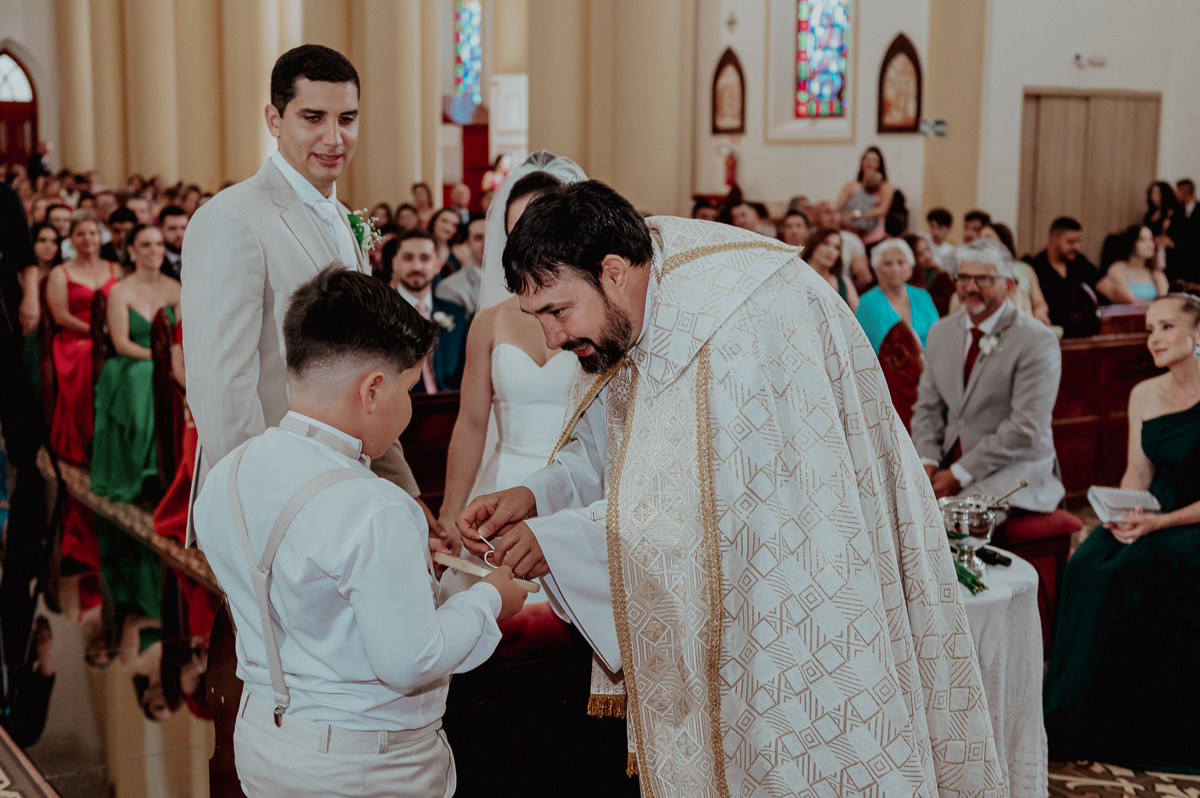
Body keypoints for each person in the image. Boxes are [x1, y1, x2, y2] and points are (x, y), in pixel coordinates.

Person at [455, 180, 1003, 796]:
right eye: (538, 319)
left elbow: (719, 513)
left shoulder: (740, 324)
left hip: (800, 604)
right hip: (740, 608)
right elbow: (623, 450)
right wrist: (537, 496)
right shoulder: (634, 304)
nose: (552, 339)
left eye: (557, 311)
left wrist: (559, 540)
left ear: (612, 271)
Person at [194, 266, 525, 798]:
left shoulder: (227, 472)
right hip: (365, 765)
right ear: (373, 389)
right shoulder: (376, 507)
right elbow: (411, 660)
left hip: (261, 740)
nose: (410, 407)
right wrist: (489, 597)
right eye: (410, 388)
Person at [182, 43, 424, 544]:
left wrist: (409, 497)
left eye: (348, 118)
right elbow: (222, 388)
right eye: (313, 117)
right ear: (274, 118)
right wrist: (263, 516)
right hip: (276, 503)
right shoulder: (231, 218)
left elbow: (373, 373)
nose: (334, 138)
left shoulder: (343, 219)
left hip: (349, 495)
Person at [1044, 285, 1200, 770]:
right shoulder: (1143, 394)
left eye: (1167, 327)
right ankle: (1072, 717)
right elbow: (1139, 473)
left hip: (1190, 521)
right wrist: (1121, 512)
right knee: (1088, 561)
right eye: (1150, 328)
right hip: (1153, 512)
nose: (1154, 338)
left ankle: (1127, 724)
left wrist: (1161, 522)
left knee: (1125, 574)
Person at [438, 160, 581, 562]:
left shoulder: (592, 319)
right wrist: (450, 510)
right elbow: (471, 423)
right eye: (521, 228)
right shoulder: (490, 322)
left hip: (577, 486)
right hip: (503, 482)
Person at [911, 238, 1063, 510]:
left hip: (1014, 466)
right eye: (964, 277)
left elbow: (1025, 427)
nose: (970, 287)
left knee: (953, 520)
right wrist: (927, 461)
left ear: (1009, 285)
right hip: (947, 459)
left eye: (983, 279)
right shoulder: (940, 333)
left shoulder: (1037, 340)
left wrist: (959, 474)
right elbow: (927, 409)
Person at [91, 224, 181, 503]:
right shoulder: (120, 290)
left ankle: (177, 463)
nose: (154, 251)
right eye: (146, 245)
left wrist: (172, 361)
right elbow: (121, 343)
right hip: (130, 361)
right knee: (144, 376)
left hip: (172, 360)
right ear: (131, 251)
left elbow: (182, 336)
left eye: (158, 244)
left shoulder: (176, 287)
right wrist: (159, 359)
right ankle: (148, 467)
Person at [46, 216, 120, 466]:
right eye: (81, 234)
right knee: (87, 357)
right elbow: (61, 315)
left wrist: (113, 332)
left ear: (100, 238)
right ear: (71, 240)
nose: (88, 239)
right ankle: (86, 435)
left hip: (113, 334)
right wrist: (96, 331)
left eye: (93, 233)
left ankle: (117, 434)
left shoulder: (115, 269)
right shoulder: (60, 272)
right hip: (76, 338)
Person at [382, 228, 468, 393]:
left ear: (437, 265)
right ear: (395, 264)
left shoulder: (455, 313)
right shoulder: (381, 314)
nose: (417, 266)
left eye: (425, 258)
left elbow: (465, 370)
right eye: (408, 258)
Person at [855, 237, 938, 353]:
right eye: (887, 264)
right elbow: (865, 349)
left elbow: (937, 336)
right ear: (877, 270)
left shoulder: (922, 296)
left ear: (910, 267)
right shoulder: (868, 303)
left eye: (901, 262)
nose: (895, 268)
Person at [1028, 216, 1101, 337]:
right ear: (1053, 240)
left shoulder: (1080, 262)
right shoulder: (1036, 266)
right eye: (1070, 242)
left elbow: (1103, 285)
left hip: (1080, 334)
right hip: (1050, 332)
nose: (1076, 247)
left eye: (1078, 242)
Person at [835, 146, 894, 247]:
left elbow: (882, 210)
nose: (869, 163)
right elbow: (837, 208)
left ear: (879, 164)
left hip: (873, 238)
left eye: (874, 160)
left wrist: (855, 214)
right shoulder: (850, 186)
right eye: (867, 159)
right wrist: (843, 218)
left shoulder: (885, 186)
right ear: (862, 162)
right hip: (850, 236)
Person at [1097, 224, 1169, 305]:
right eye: (1143, 240)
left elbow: (1165, 302)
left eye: (1151, 239)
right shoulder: (1118, 269)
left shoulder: (1156, 273)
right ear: (1132, 243)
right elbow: (1129, 301)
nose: (1150, 244)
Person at [435, 212, 486, 315]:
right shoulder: (448, 288)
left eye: (492, 237)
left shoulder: (519, 278)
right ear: (467, 244)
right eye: (478, 238)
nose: (486, 243)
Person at [813, 200, 870, 289]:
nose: (833, 217)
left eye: (836, 212)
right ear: (816, 216)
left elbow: (865, 278)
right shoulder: (807, 237)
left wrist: (844, 290)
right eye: (827, 212)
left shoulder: (852, 240)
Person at [802, 227, 859, 311]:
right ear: (814, 245)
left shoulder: (843, 280)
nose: (831, 251)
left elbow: (859, 314)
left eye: (836, 248)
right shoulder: (799, 276)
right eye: (825, 243)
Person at [429, 206, 464, 274]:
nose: (448, 228)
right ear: (434, 221)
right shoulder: (420, 248)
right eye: (444, 221)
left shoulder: (459, 254)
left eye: (454, 225)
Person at [159, 204, 189, 280]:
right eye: (172, 228)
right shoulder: (155, 261)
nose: (179, 233)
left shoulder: (198, 257)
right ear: (161, 229)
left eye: (183, 228)